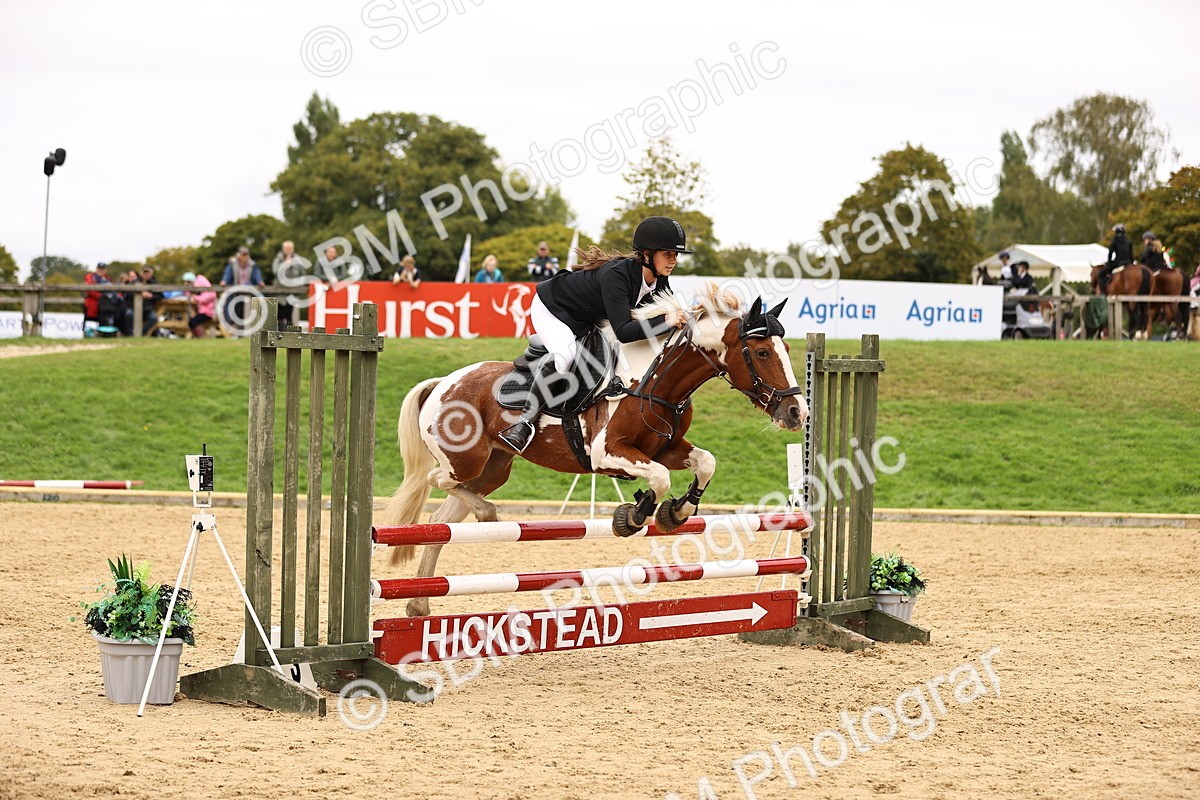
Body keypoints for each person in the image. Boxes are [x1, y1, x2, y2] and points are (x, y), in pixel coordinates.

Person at [497, 216, 691, 453]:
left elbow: (661, 319)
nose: (674, 260)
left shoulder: (659, 281)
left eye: (676, 254)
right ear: (647, 253)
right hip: (554, 309)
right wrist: (666, 320)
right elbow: (624, 332)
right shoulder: (618, 276)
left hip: (588, 317)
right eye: (668, 253)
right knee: (566, 357)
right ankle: (523, 423)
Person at [272, 241, 311, 325]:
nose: (288, 250)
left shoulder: (299, 260)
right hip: (280, 292)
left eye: (290, 249)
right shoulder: (278, 260)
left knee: (289, 316)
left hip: (293, 292)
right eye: (286, 249)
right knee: (280, 316)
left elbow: (303, 275)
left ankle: (289, 335)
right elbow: (275, 272)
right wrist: (285, 265)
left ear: (293, 249)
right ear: (283, 249)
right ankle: (278, 335)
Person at [183, 271, 217, 338]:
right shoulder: (196, 287)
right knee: (191, 321)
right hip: (202, 311)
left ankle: (203, 337)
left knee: (192, 322)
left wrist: (195, 297)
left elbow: (210, 295)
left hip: (208, 312)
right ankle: (202, 337)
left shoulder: (201, 286)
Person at [1101, 224, 1133, 291]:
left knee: (1100, 274)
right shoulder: (1128, 241)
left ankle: (1103, 291)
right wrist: (1131, 263)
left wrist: (1109, 263)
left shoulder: (1114, 241)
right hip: (1128, 262)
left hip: (1118, 262)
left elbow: (1110, 254)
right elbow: (1131, 255)